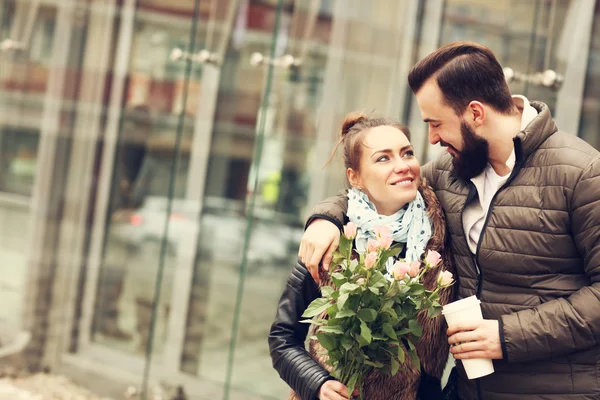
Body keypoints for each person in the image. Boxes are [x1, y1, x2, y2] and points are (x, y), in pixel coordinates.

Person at [297, 41, 600, 400]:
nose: (433, 138)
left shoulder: (583, 173)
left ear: (475, 113)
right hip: (468, 389)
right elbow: (380, 189)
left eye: (436, 123)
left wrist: (506, 336)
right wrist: (326, 218)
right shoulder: (452, 168)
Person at [269, 113, 455, 400]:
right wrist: (317, 384)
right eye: (383, 158)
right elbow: (282, 338)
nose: (402, 166)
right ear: (355, 177)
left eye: (407, 153)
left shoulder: (442, 237)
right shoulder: (333, 241)